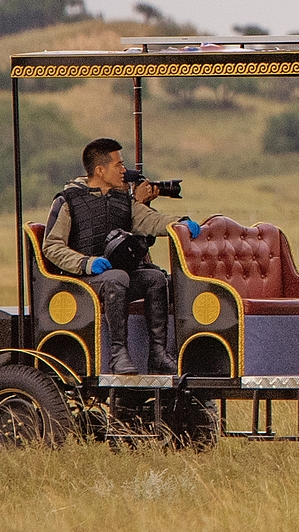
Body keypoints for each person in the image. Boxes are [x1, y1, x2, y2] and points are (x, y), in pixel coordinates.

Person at [43, 137, 201, 375]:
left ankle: (157, 355)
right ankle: (119, 355)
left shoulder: (124, 200)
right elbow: (52, 246)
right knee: (116, 277)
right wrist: (86, 263)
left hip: (118, 277)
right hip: (81, 281)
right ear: (99, 170)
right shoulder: (68, 201)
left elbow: (150, 220)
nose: (123, 171)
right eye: (118, 165)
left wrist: (178, 224)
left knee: (154, 279)